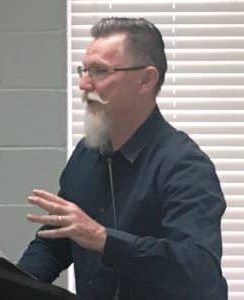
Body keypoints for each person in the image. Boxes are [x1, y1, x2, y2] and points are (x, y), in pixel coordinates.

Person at [18, 17, 228, 300]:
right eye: (84, 70)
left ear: (146, 79)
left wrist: (104, 240)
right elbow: (57, 243)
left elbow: (196, 269)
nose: (83, 84)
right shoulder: (85, 155)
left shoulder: (185, 165)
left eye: (100, 71)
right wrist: (7, 284)